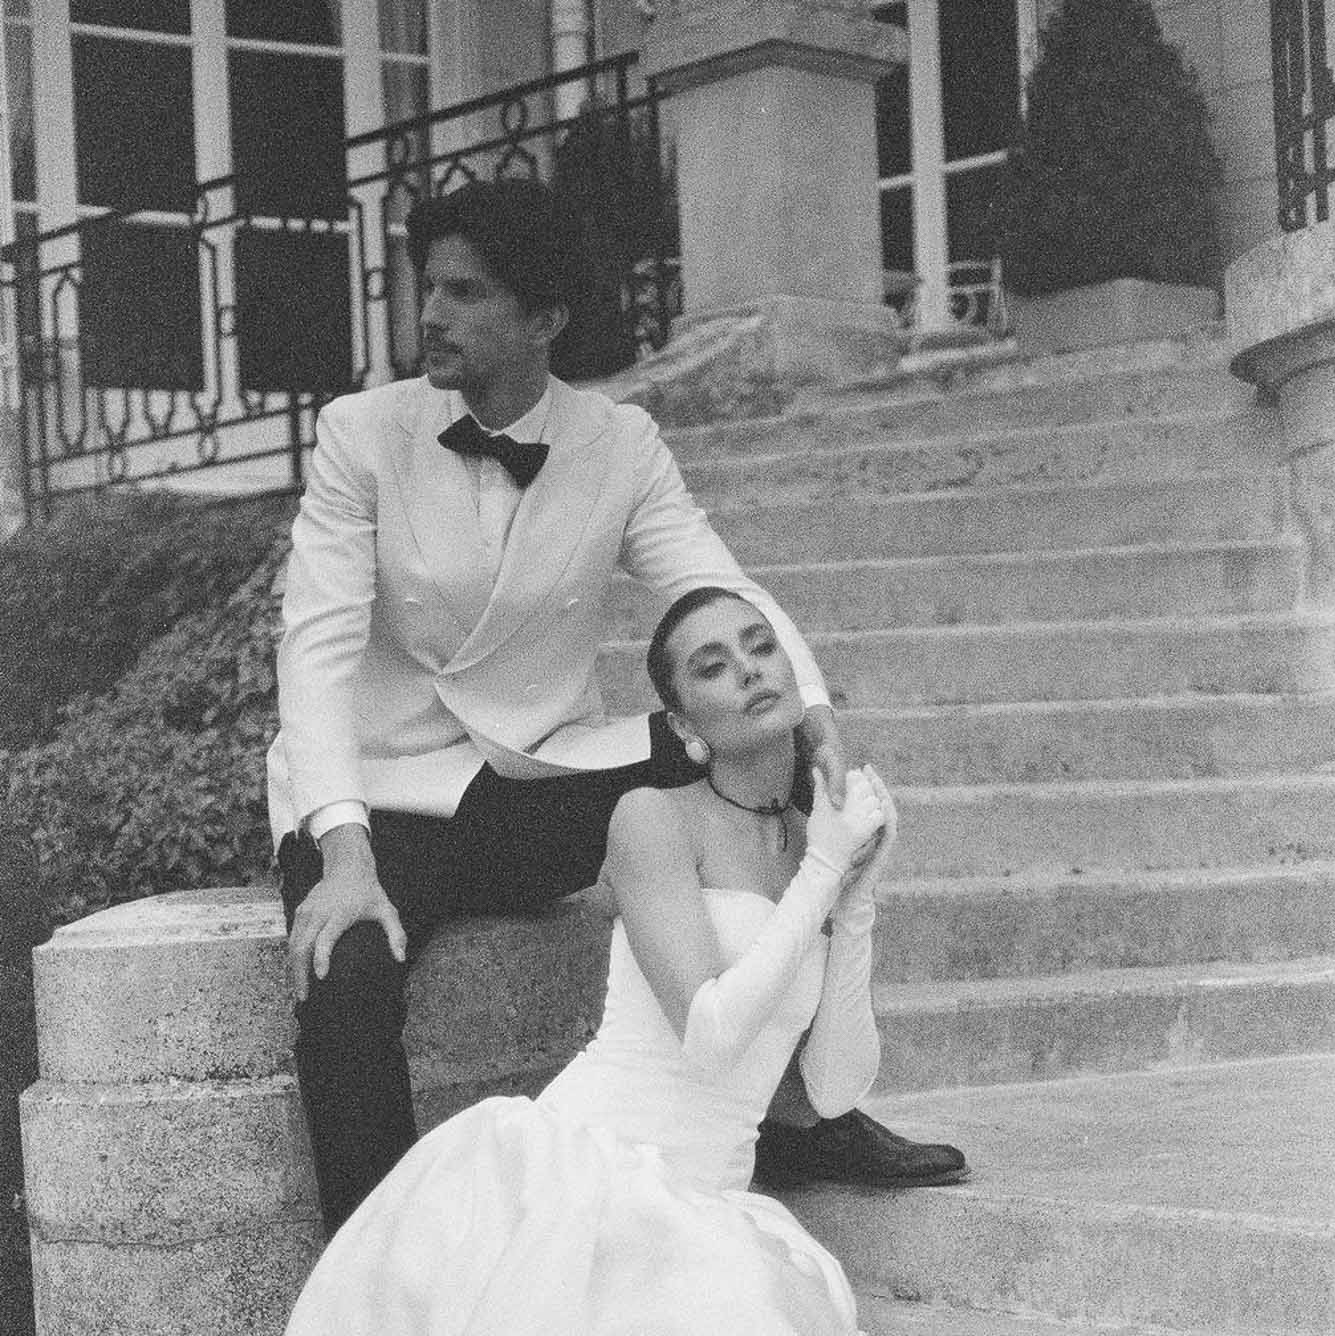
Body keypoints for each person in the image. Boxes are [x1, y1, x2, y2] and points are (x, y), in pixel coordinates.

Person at [54, 588, 907, 1336]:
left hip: (708, 1191)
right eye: (711, 667)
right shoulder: (645, 816)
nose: (749, 673)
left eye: (763, 645)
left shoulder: (805, 846)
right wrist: (826, 870)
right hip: (596, 1163)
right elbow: (715, 1038)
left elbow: (823, 1085)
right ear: (681, 716)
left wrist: (855, 896)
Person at [271, 177, 965, 1238]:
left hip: (531, 776)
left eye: (465, 292)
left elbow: (716, 590)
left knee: (731, 747)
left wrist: (812, 714)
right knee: (345, 974)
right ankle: (380, 1269)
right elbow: (313, 650)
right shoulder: (360, 435)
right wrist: (343, 854)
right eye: (428, 287)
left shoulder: (618, 444)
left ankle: (794, 1108)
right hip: (382, 795)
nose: (432, 315)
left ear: (544, 317)